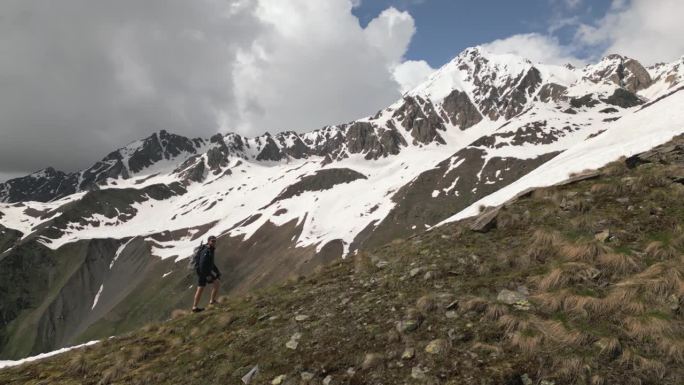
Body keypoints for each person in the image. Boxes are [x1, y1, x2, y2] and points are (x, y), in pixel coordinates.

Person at [191, 235, 221, 312]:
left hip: (202, 272)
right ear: (208, 241)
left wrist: (217, 272)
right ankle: (212, 301)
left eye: (215, 241)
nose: (214, 242)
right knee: (216, 283)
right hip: (203, 272)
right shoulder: (207, 251)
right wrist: (207, 275)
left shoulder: (209, 249)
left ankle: (194, 307)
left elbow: (211, 263)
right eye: (212, 241)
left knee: (200, 289)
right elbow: (203, 264)